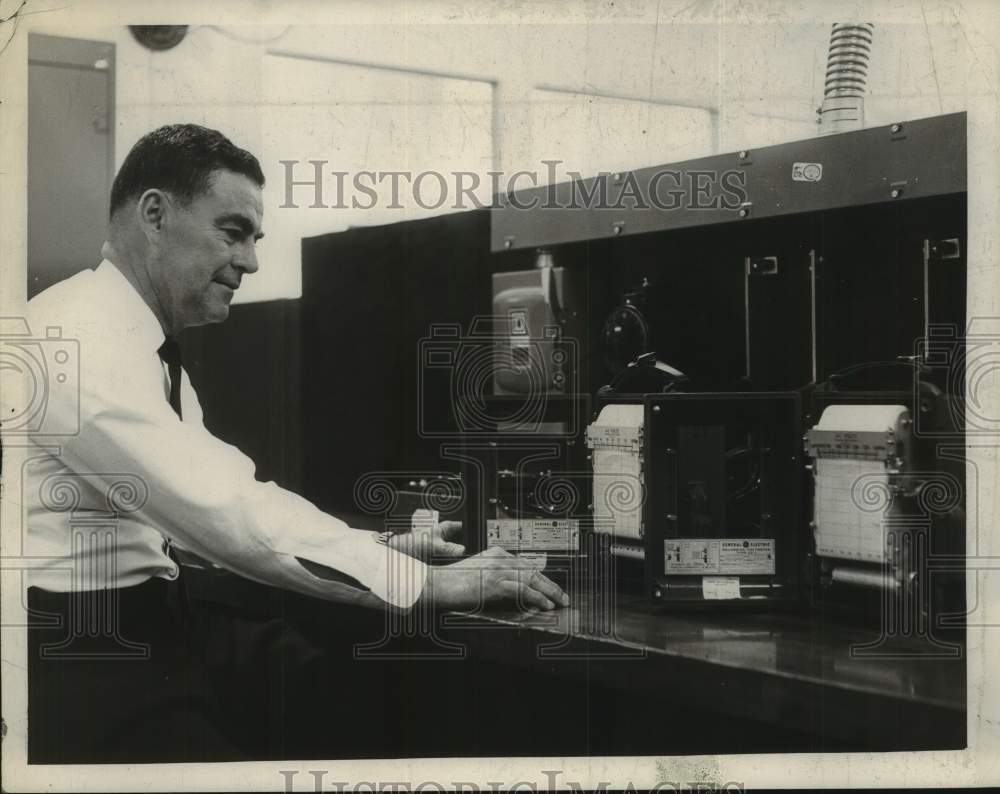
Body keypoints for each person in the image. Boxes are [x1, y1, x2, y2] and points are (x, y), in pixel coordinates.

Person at [15, 123, 568, 762]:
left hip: (149, 621)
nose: (250, 261)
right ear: (155, 215)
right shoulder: (76, 337)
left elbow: (205, 512)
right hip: (79, 657)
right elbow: (222, 512)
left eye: (255, 239)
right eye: (232, 231)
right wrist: (423, 585)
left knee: (358, 689)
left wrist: (378, 549)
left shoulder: (138, 341)